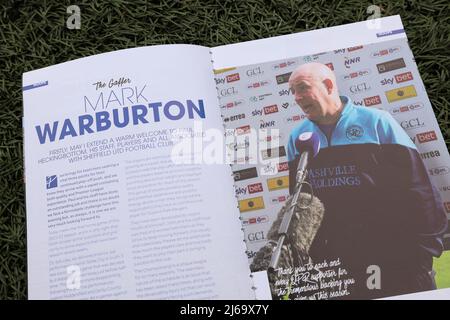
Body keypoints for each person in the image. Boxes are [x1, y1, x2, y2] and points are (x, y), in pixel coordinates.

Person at [286, 62, 448, 299]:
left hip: (395, 255)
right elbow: (300, 203)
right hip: (337, 265)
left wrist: (424, 249)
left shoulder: (377, 122)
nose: (297, 98)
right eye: (293, 92)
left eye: (302, 88)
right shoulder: (297, 138)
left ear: (328, 85)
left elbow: (418, 187)